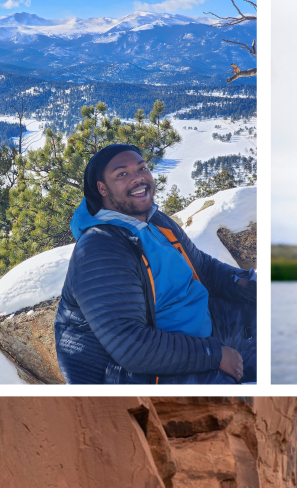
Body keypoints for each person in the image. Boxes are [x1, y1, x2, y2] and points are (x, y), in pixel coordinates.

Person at [55, 143, 257, 384]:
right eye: (122, 174)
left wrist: (248, 283)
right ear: (102, 188)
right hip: (134, 371)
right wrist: (214, 355)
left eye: (142, 168)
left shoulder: (155, 221)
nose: (138, 178)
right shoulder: (100, 248)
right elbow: (131, 346)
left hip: (198, 330)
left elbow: (203, 268)